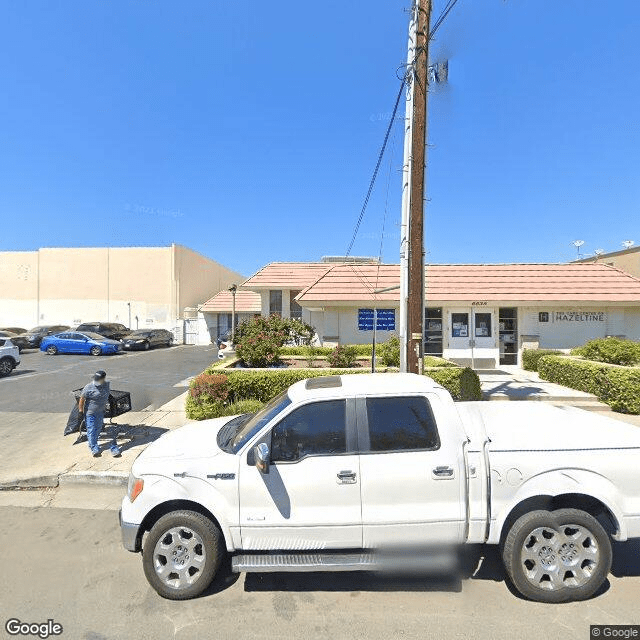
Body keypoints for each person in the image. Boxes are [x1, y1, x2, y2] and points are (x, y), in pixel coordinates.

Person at [78, 370, 121, 457]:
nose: (96, 382)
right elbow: (81, 400)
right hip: (90, 413)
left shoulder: (106, 384)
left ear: (103, 379)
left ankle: (93, 443)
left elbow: (107, 394)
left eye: (99, 380)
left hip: (100, 412)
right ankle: (94, 447)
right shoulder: (88, 387)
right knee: (91, 429)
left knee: (98, 428)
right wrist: (80, 412)